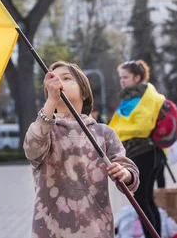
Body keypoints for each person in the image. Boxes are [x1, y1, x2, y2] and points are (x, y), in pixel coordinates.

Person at [24, 61, 140, 238]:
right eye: (52, 80)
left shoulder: (104, 133)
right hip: (51, 230)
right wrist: (51, 101)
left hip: (96, 228)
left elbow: (129, 174)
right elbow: (32, 149)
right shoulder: (46, 130)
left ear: (84, 91)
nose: (58, 82)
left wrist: (124, 173)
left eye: (67, 78)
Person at [109, 60, 165, 238]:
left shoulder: (143, 98)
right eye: (120, 77)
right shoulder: (132, 98)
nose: (122, 81)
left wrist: (114, 131)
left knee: (141, 201)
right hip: (148, 153)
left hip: (144, 153)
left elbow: (142, 126)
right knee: (147, 199)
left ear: (137, 77)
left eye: (126, 77)